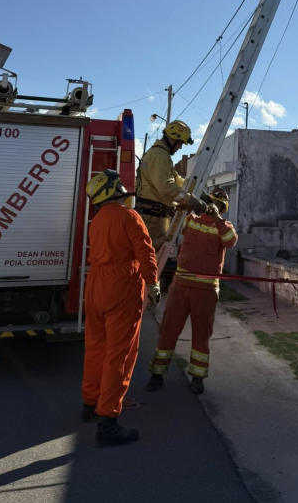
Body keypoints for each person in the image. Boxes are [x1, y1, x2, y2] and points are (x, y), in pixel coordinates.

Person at [81, 169, 160, 447]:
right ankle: (108, 422)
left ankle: (90, 403)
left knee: (95, 346)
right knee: (120, 354)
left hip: (94, 285)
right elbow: (145, 252)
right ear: (115, 191)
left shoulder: (98, 219)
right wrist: (153, 284)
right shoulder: (129, 217)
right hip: (121, 286)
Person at [145, 187, 237, 395]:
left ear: (223, 209)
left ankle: (197, 378)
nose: (214, 207)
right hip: (181, 286)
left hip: (205, 290)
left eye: (219, 206)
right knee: (168, 331)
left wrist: (217, 218)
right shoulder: (191, 221)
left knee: (201, 336)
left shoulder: (224, 227)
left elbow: (231, 240)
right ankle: (157, 374)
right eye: (212, 203)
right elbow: (176, 216)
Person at [135, 119, 206, 251]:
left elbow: (175, 180)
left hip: (153, 215)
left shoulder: (160, 154)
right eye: (180, 143)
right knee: (147, 253)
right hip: (152, 217)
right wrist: (191, 200)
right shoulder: (160, 155)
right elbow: (166, 187)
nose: (180, 147)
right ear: (173, 139)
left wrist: (199, 192)